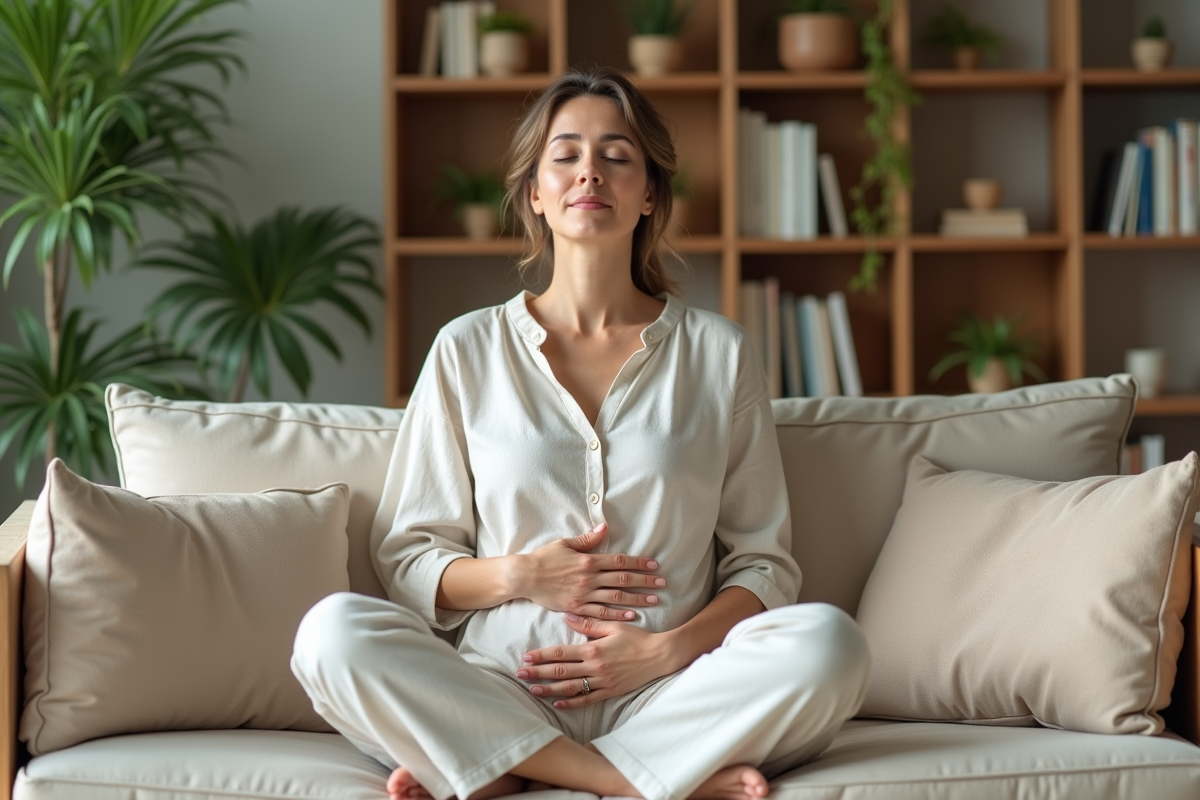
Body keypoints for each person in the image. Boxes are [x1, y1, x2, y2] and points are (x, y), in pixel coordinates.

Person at [291, 66, 870, 800]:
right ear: (535, 190)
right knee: (330, 635)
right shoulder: (466, 349)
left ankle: (498, 768)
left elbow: (763, 565)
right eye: (564, 155)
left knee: (830, 644)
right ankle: (641, 781)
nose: (588, 171)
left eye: (616, 156)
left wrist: (663, 654)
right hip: (501, 686)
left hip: (670, 691)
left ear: (649, 192)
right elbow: (410, 558)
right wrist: (523, 575)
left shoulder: (719, 353)